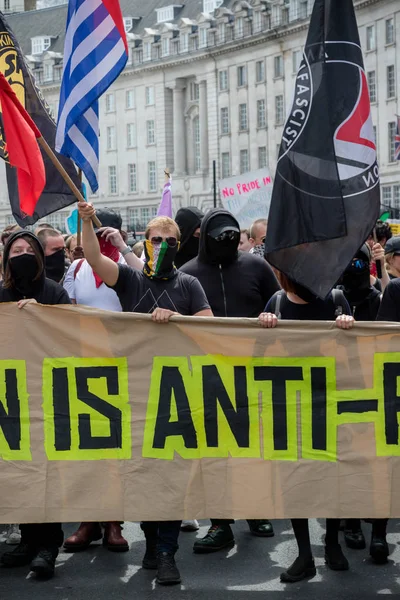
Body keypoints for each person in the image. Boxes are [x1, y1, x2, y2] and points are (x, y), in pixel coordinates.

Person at [78, 200, 213, 586]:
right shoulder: (130, 279)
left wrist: (176, 321)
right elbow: (92, 256)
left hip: (176, 396)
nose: (164, 245)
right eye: (156, 239)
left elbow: (211, 329)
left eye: (171, 240)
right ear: (146, 241)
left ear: (180, 242)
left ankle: (168, 553)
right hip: (135, 394)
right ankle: (152, 543)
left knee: (170, 478)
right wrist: (88, 223)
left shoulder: (189, 284)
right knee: (141, 476)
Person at [181, 208, 280, 551]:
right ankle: (220, 522)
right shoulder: (188, 274)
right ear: (205, 237)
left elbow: (279, 303)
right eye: (218, 235)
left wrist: (271, 316)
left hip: (254, 373)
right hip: (206, 378)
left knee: (253, 448)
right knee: (214, 454)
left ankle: (255, 510)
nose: (225, 241)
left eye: (231, 234)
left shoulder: (257, 266)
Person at [258, 272, 354, 582]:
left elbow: (355, 360)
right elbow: (256, 358)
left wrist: (348, 329)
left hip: (330, 407)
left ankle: (331, 542)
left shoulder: (336, 300)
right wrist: (263, 328)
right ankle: (304, 554)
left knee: (333, 478)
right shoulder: (276, 303)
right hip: (291, 410)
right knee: (294, 481)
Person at [0, 230, 70, 578]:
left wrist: (42, 316)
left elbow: (74, 335)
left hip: (47, 396)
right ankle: (28, 539)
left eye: (29, 249)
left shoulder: (54, 292)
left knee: (47, 471)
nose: (23, 254)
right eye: (16, 250)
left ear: (40, 257)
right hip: (11, 400)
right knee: (19, 471)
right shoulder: (1, 295)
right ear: (6, 257)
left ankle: (48, 544)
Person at [63, 208, 143, 311]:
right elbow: (68, 311)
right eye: (96, 235)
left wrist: (122, 246)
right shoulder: (76, 267)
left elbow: (147, 281)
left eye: (108, 235)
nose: (103, 240)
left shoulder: (128, 263)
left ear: (120, 235)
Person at [337, 244, 383, 320]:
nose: (353, 268)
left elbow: (392, 305)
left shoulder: (376, 300)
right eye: (347, 264)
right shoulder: (335, 298)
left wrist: (382, 268)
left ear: (369, 266)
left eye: (358, 264)